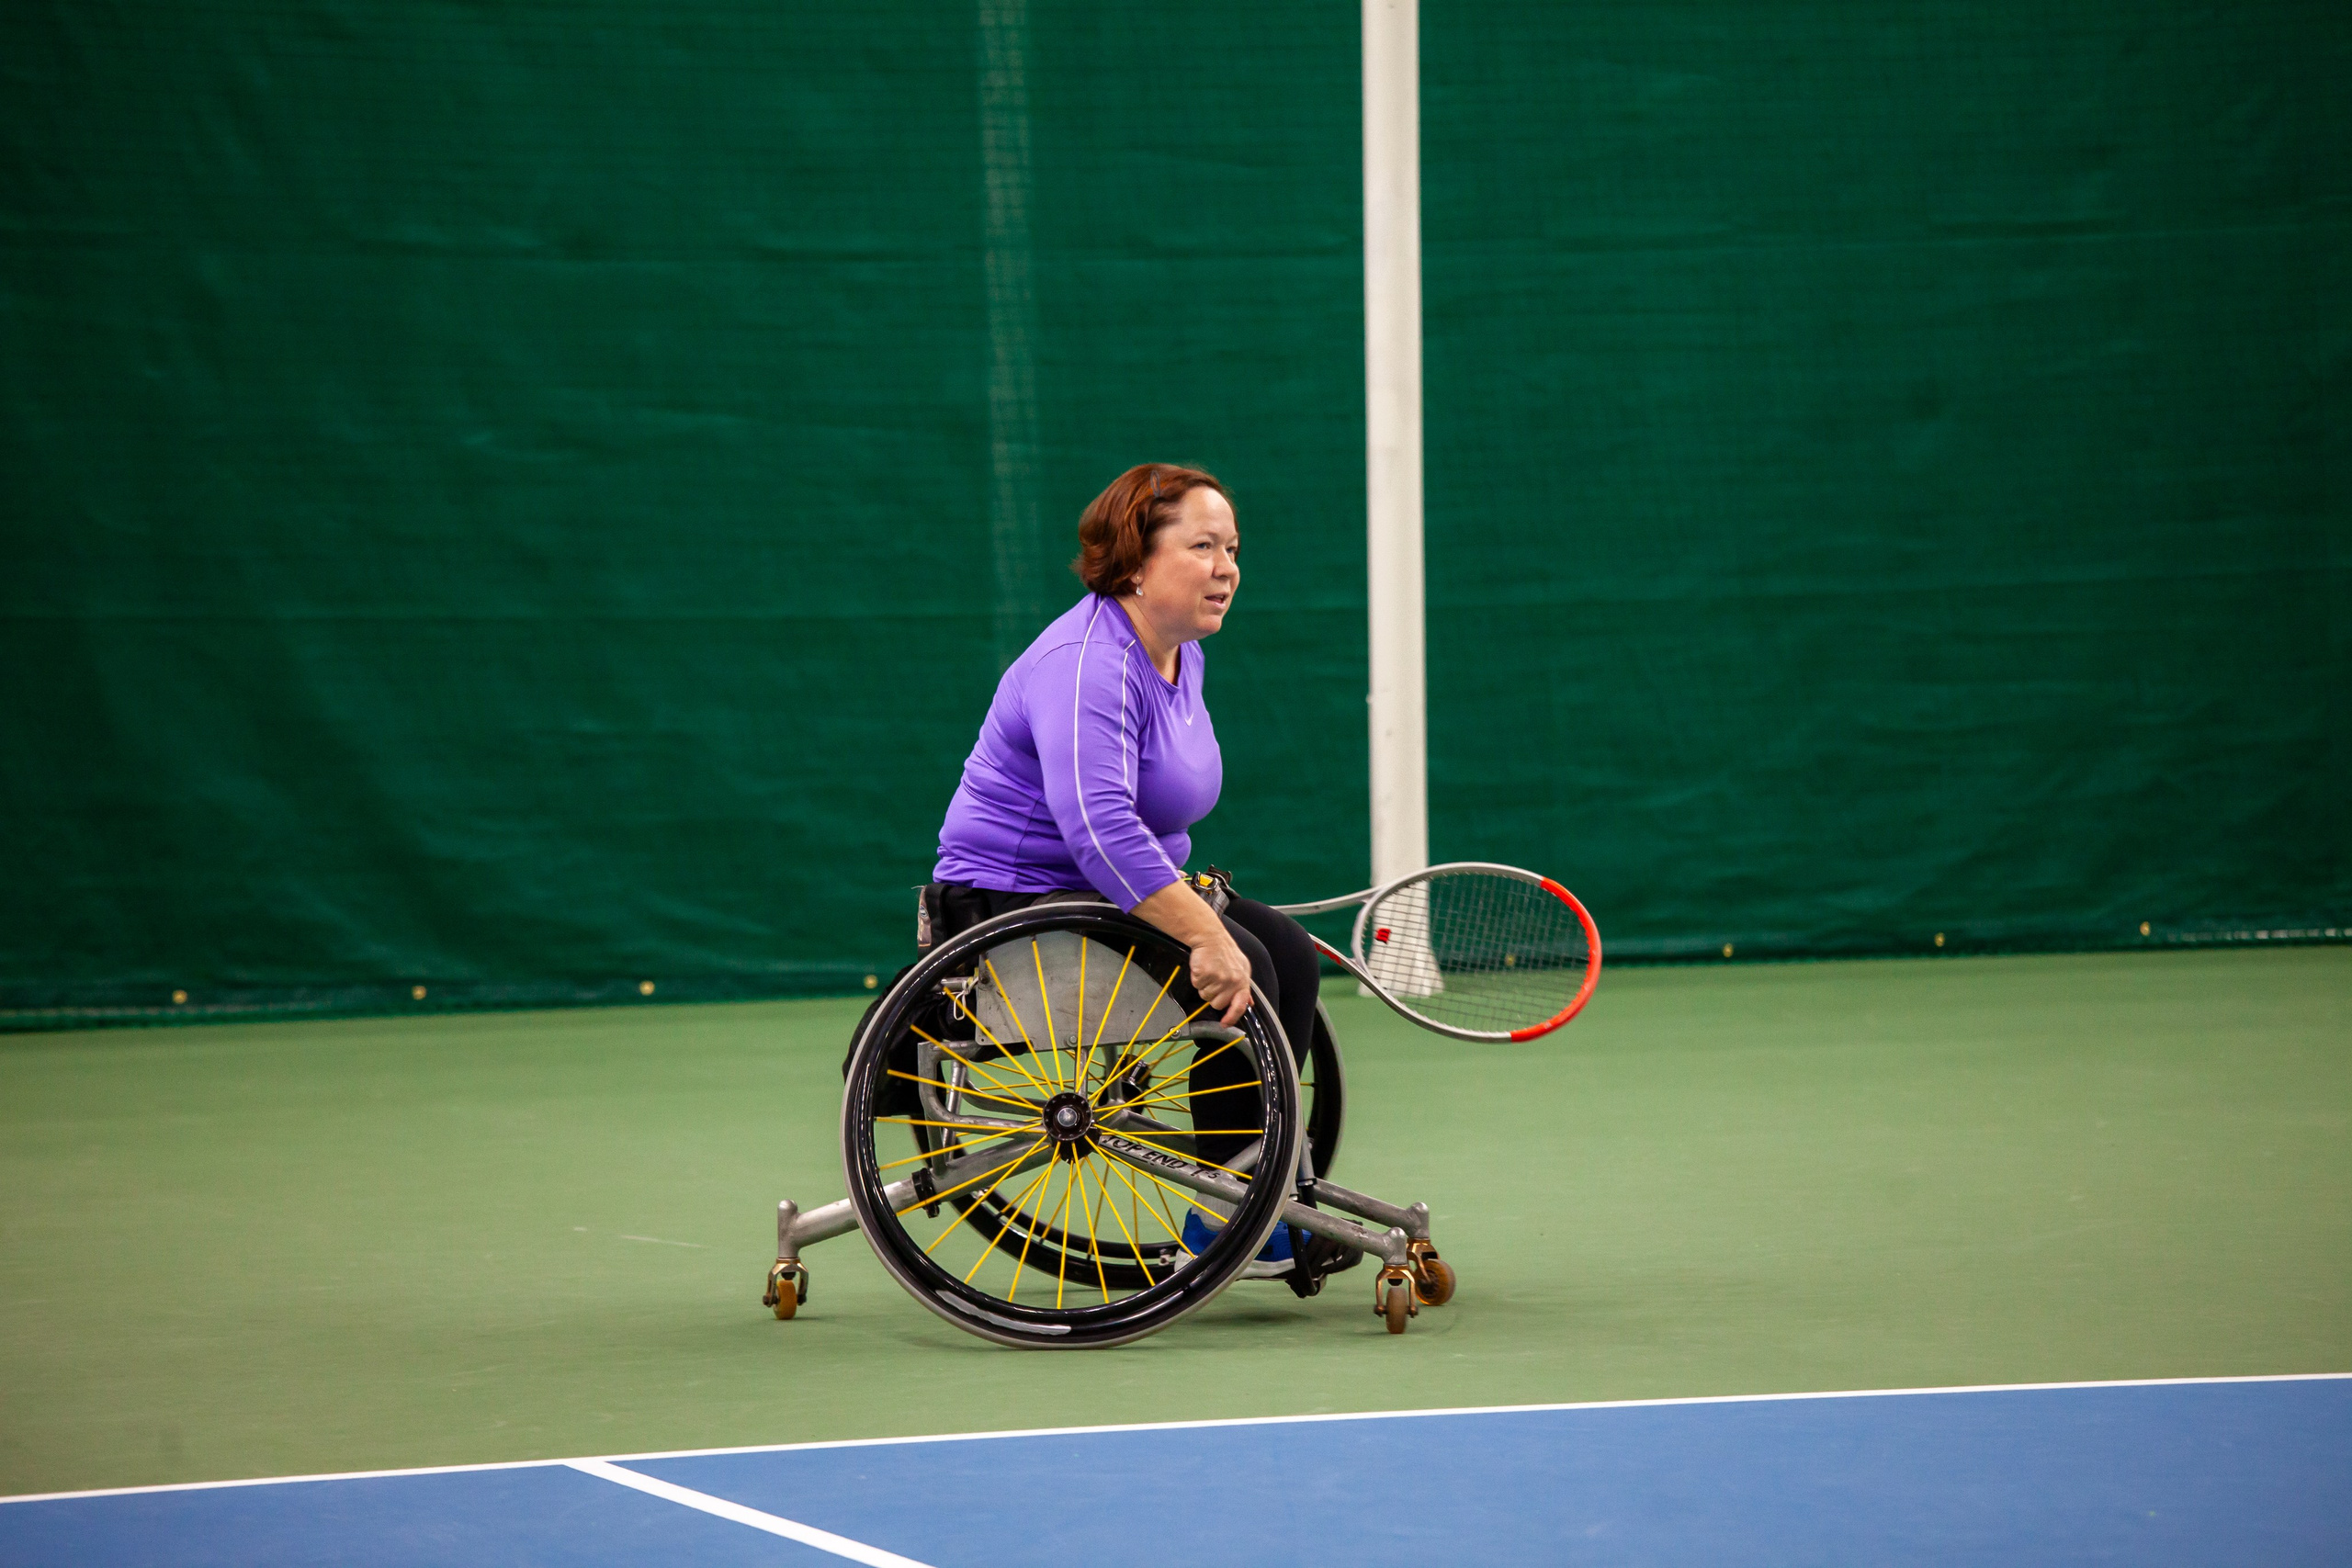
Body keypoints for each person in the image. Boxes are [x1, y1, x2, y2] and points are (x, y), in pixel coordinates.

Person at [931, 463, 1321, 1070]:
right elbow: (1100, 829)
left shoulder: (1182, 653)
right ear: (1136, 561)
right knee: (1248, 964)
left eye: (1232, 549)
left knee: (1290, 954)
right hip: (1020, 901)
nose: (1227, 568)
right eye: (1203, 547)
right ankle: (1238, 1165)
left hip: (1108, 892)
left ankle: (1264, 1160)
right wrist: (1206, 934)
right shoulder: (1088, 665)